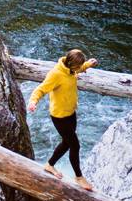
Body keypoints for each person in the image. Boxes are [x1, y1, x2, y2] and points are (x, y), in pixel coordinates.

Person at [27, 49, 98, 191]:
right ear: (71, 64)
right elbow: (41, 89)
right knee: (75, 145)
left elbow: (77, 71)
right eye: (78, 66)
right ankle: (79, 177)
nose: (79, 69)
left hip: (70, 113)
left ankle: (49, 165)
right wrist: (33, 101)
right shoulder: (56, 74)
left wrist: (87, 65)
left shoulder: (71, 70)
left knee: (67, 143)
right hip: (59, 117)